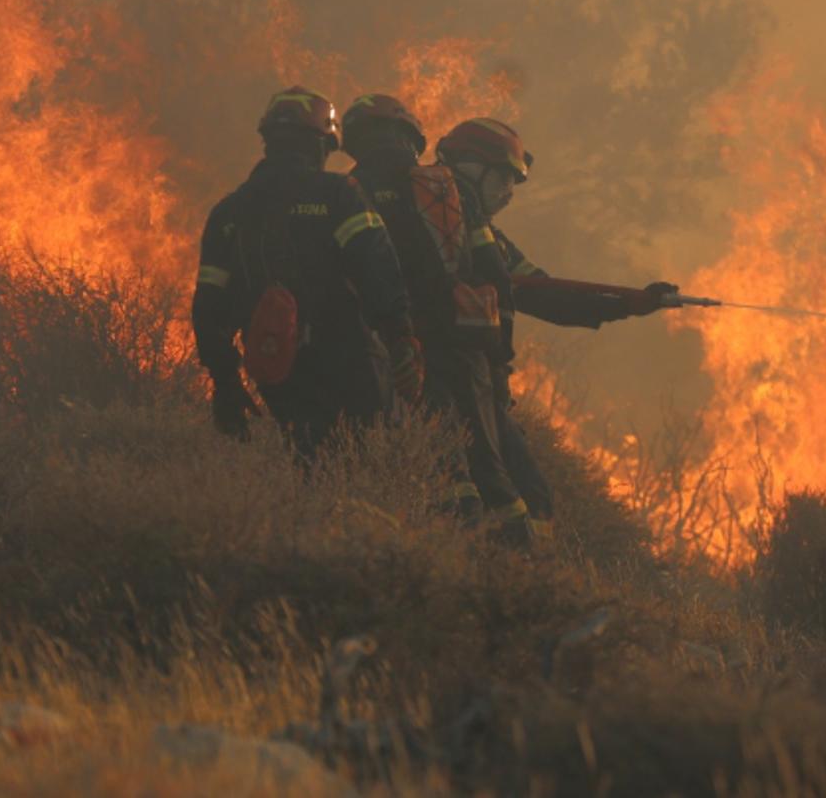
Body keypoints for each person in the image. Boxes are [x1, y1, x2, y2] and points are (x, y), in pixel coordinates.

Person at [435, 117, 679, 544]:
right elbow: (549, 298)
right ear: (474, 169)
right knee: (508, 499)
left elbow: (548, 294)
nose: (507, 195)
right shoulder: (450, 231)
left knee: (523, 496)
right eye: (502, 181)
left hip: (473, 384)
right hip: (455, 383)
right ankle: (511, 584)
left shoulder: (487, 239)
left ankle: (516, 581)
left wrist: (630, 304)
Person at [191, 87, 425, 456]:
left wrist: (225, 381)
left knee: (309, 459)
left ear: (268, 141)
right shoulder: (338, 193)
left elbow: (208, 308)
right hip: (351, 358)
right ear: (321, 144)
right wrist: (401, 336)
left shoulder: (229, 212)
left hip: (277, 364)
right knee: (383, 455)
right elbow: (376, 267)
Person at [341, 94, 530, 543]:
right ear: (412, 137)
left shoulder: (346, 191)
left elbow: (348, 278)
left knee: (438, 458)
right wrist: (499, 360)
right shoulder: (449, 187)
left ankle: (453, 548)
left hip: (398, 347)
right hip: (465, 348)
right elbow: (496, 275)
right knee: (490, 466)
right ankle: (522, 567)